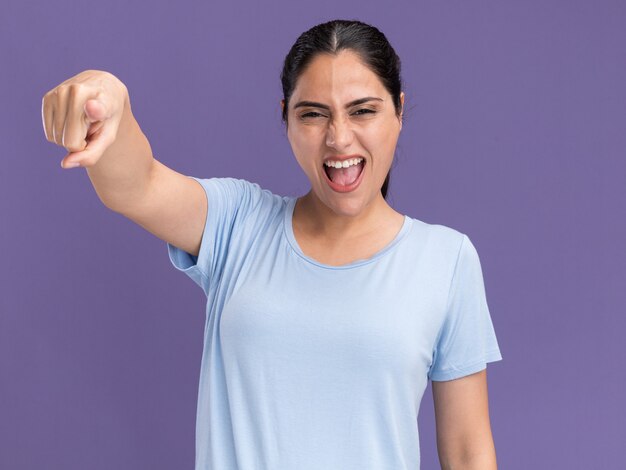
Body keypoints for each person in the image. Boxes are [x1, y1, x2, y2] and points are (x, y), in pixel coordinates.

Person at [42, 19, 502, 470]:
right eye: (313, 113)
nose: (338, 137)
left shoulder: (446, 260)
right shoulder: (238, 224)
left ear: (398, 112)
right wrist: (107, 98)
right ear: (286, 118)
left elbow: (467, 453)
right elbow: (136, 184)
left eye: (363, 110)